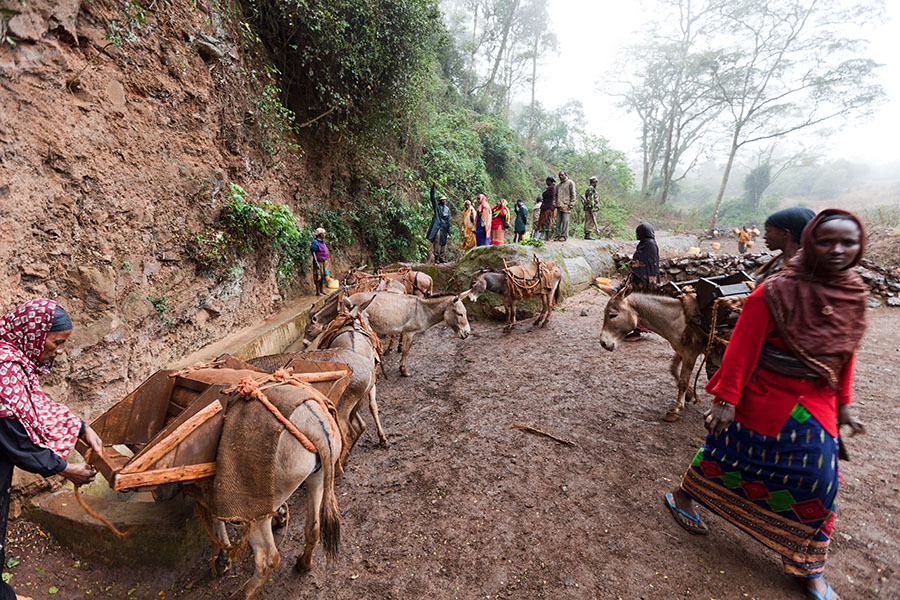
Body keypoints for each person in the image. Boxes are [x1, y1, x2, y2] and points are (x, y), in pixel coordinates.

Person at [664, 209, 868, 600]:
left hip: (816, 401)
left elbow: (846, 352)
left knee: (822, 480)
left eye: (848, 242)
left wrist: (844, 404)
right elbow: (742, 347)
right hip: (765, 393)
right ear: (811, 242)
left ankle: (807, 564)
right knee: (726, 454)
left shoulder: (854, 293)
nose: (837, 249)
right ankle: (684, 495)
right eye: (827, 241)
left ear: (860, 247)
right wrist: (726, 400)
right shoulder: (775, 291)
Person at [0, 299, 103, 599]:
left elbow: (36, 405)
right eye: (57, 342)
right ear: (34, 334)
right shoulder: (5, 370)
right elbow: (16, 439)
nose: (59, 350)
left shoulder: (13, 359)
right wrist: (65, 469)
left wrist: (81, 427)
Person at [756, 207, 816, 283]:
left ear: (784, 233)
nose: (764, 236)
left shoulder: (798, 271)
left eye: (768, 231)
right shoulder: (780, 261)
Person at [625, 222, 660, 341]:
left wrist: (631, 264)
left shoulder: (647, 245)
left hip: (643, 280)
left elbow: (640, 263)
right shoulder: (649, 244)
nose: (636, 235)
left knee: (638, 304)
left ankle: (638, 331)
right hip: (649, 279)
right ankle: (638, 328)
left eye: (637, 233)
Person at [426, 181, 452, 263]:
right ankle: (436, 257)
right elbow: (432, 198)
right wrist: (433, 188)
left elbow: (448, 220)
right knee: (437, 240)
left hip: (444, 227)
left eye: (444, 200)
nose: (443, 201)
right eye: (442, 200)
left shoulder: (447, 209)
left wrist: (449, 230)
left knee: (443, 242)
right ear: (439, 200)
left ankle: (441, 257)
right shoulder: (437, 207)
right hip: (438, 226)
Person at [553, 170, 576, 241]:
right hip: (559, 205)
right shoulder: (558, 185)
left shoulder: (570, 183)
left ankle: (564, 236)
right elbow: (555, 195)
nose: (561, 176)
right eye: (559, 175)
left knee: (565, 221)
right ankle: (557, 235)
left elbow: (573, 194)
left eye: (562, 175)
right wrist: (554, 203)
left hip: (566, 205)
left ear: (566, 175)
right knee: (558, 222)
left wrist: (572, 203)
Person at [310, 228, 330, 296]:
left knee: (322, 276)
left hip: (324, 262)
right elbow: (313, 252)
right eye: (323, 233)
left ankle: (322, 290)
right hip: (318, 262)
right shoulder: (315, 242)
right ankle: (318, 292)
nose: (324, 235)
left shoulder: (322, 242)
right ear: (319, 234)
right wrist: (316, 262)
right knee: (318, 277)